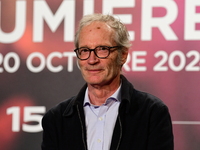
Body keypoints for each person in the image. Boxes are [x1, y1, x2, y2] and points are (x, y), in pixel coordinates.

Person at [41, 13, 174, 150]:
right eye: (85, 50)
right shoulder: (56, 119)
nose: (92, 60)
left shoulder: (152, 113)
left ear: (123, 55)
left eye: (102, 49)